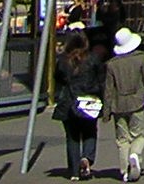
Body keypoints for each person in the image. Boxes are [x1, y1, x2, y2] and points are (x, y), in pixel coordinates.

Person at [101, 27, 144, 183]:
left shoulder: (112, 64)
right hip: (137, 102)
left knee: (122, 140)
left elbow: (108, 89)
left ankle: (124, 171)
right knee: (138, 135)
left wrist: (106, 111)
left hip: (118, 105)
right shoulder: (141, 58)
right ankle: (135, 154)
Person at [51, 31, 103, 181]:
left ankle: (74, 171)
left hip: (69, 102)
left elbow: (57, 78)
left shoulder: (63, 60)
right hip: (89, 101)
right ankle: (87, 157)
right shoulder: (93, 59)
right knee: (90, 132)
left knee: (72, 137)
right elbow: (100, 78)